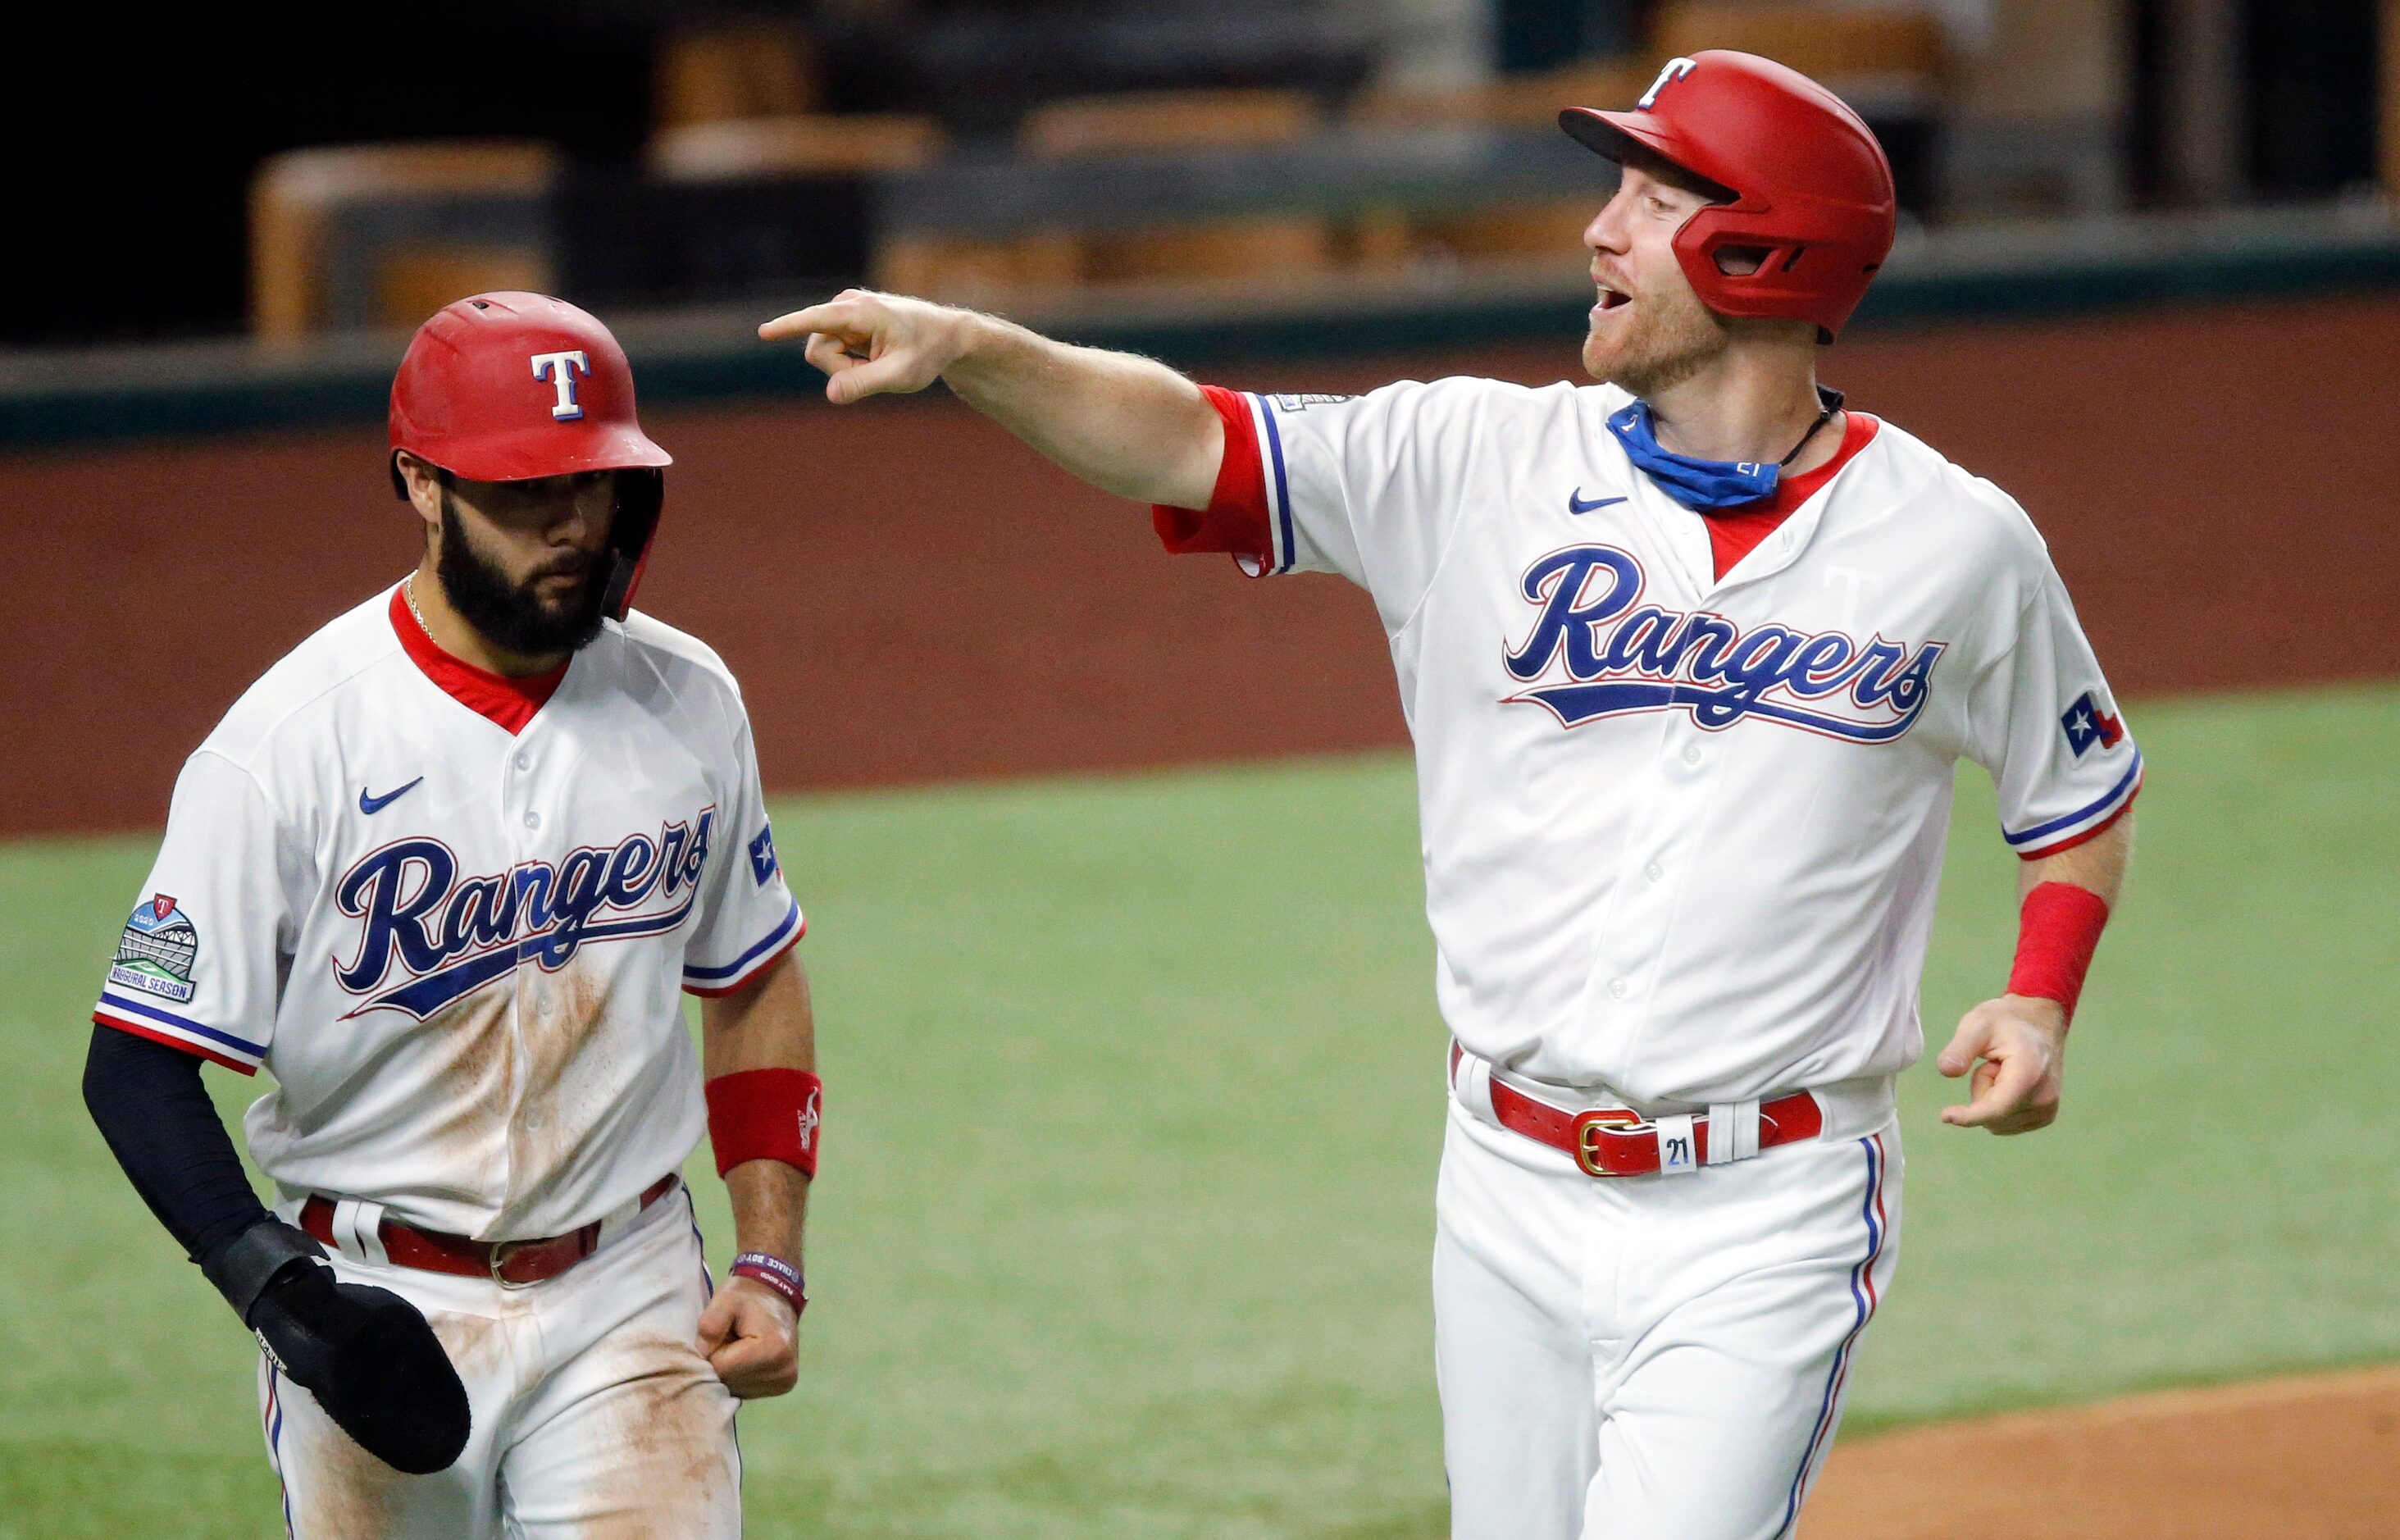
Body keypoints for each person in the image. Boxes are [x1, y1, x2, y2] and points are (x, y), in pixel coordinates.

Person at [756, 49, 2137, 1539]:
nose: (1601, 232)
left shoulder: (1957, 543)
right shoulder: (1470, 461)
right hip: (1505, 1191)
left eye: (1652, 198)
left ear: (1766, 245)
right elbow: (1186, 437)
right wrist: (974, 346)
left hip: (1772, 1213)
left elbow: (2080, 788)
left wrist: (2041, 992)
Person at [84, 292, 822, 1537]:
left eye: (593, 484)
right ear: (421, 485)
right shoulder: (288, 745)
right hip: (375, 1302)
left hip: (632, 1291)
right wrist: (284, 1293)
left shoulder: (688, 700)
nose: (571, 524)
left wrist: (769, 1256)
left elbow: (750, 973)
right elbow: (136, 1068)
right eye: (525, 490)